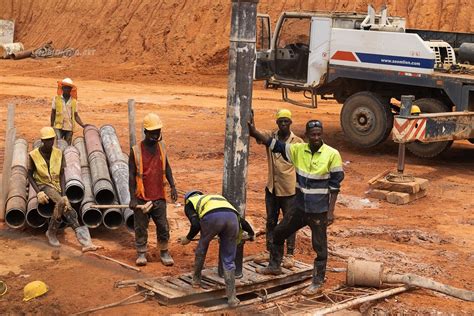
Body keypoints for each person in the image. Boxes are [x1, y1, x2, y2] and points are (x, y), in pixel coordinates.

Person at [249, 118, 344, 296]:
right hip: (299, 208)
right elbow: (274, 145)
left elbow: (335, 187)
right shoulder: (298, 150)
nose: (316, 137)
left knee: (320, 247)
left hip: (318, 211)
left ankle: (317, 281)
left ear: (321, 134)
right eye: (312, 135)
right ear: (306, 136)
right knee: (278, 232)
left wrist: (330, 212)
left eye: (318, 134)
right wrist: (254, 133)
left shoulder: (332, 154)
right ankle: (275, 265)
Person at [178, 191, 255, 308]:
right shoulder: (217, 199)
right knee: (228, 261)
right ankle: (232, 299)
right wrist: (251, 233)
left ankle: (196, 280)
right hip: (232, 219)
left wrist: (188, 238)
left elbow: (195, 225)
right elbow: (241, 220)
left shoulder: (190, 203)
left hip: (212, 218)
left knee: (202, 248)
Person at [27, 127, 99, 251]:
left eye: (51, 140)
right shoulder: (34, 155)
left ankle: (86, 243)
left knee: (67, 208)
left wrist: (64, 193)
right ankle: (52, 232)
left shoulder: (58, 153)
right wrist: (39, 193)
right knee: (61, 203)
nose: (50, 142)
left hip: (56, 185)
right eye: (47, 140)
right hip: (43, 184)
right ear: (42, 141)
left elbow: (61, 174)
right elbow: (29, 174)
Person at [253, 109, 303, 268]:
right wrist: (251, 121)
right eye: (280, 121)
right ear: (276, 123)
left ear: (290, 123)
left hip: (289, 190)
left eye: (286, 121)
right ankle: (269, 250)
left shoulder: (297, 142)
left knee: (289, 222)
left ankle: (289, 254)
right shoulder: (271, 137)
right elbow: (255, 134)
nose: (283, 124)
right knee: (271, 220)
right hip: (272, 188)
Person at [129, 113, 178, 267]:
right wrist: (132, 198)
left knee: (163, 226)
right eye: (152, 132)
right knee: (141, 227)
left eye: (158, 132)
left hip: (159, 196)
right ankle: (142, 253)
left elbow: (167, 167)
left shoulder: (162, 147)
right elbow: (131, 175)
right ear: (145, 132)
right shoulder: (136, 150)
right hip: (142, 197)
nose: (156, 135)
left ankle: (164, 251)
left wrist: (173, 186)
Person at [50, 78, 86, 144]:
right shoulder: (56, 99)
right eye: (65, 88)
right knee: (58, 143)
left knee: (67, 145)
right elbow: (53, 113)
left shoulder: (74, 102)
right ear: (62, 88)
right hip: (58, 126)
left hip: (69, 127)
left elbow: (75, 115)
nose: (67, 89)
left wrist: (83, 125)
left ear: (70, 89)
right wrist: (52, 125)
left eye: (68, 88)